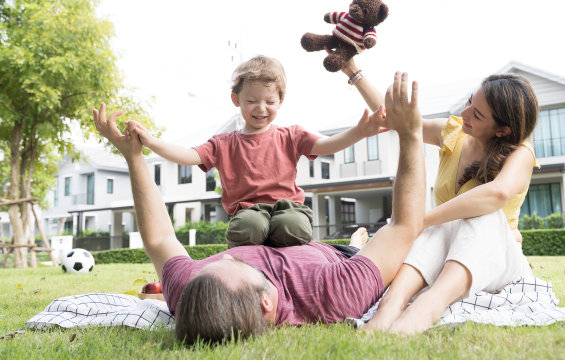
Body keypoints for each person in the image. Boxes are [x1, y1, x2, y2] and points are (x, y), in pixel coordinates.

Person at [92, 71, 425, 344]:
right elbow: (402, 227)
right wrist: (411, 135)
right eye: (228, 263)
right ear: (266, 302)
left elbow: (160, 239)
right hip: (332, 256)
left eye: (211, 262)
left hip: (282, 220)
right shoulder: (336, 292)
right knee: (357, 248)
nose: (223, 255)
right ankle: (355, 245)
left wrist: (134, 157)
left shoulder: (192, 292)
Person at [338, 60, 539, 334]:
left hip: (495, 259)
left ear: (502, 130)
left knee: (480, 211)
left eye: (477, 114)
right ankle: (390, 307)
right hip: (441, 250)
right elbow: (399, 120)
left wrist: (421, 220)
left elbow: (497, 193)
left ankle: (426, 307)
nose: (465, 112)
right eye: (469, 102)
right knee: (442, 222)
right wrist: (353, 72)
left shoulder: (521, 152)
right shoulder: (454, 133)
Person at [126, 55, 386, 249]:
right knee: (252, 226)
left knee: (291, 227)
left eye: (270, 102)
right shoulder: (224, 143)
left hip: (288, 210)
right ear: (236, 100)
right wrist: (151, 142)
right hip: (249, 212)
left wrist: (358, 132)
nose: (261, 108)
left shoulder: (291, 136)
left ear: (280, 101)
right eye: (252, 101)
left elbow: (327, 144)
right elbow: (187, 155)